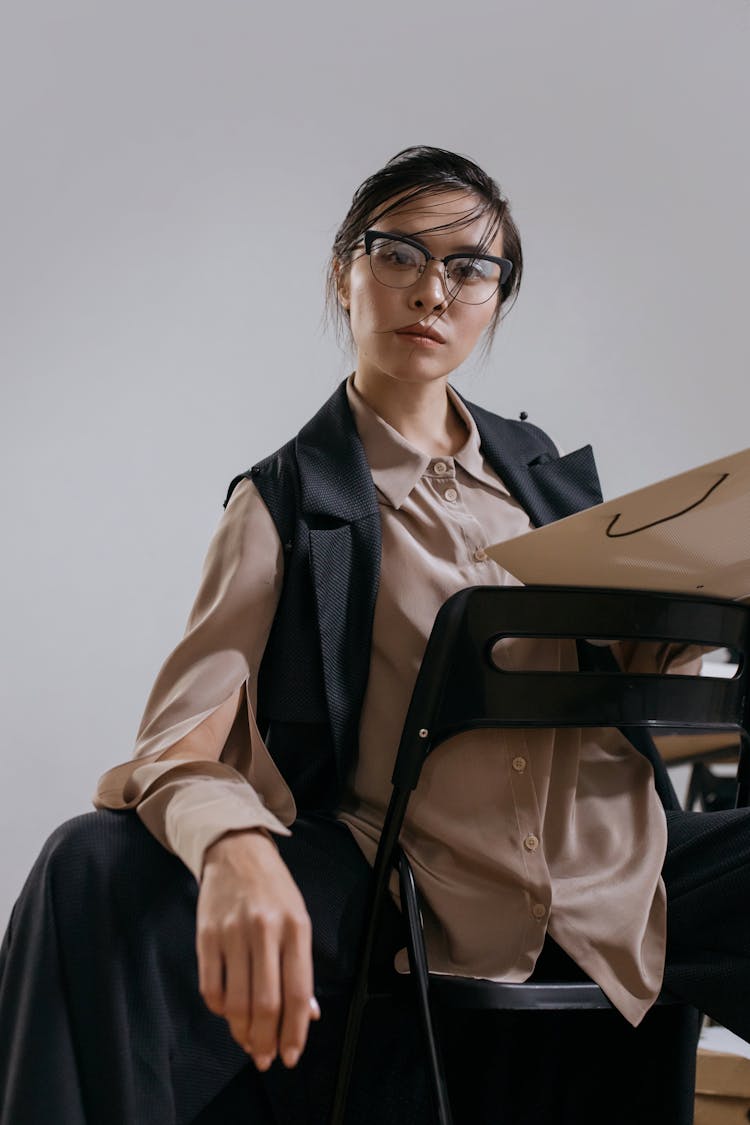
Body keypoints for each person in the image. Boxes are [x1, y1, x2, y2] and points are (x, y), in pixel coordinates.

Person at [2, 145, 750, 1125]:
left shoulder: (548, 483)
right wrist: (235, 848)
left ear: (495, 297)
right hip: (415, 880)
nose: (432, 291)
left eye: (470, 267)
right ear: (344, 271)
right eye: (399, 252)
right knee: (93, 870)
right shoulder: (285, 503)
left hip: (622, 872)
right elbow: (176, 747)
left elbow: (624, 684)